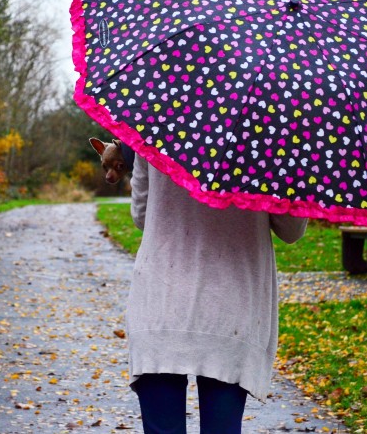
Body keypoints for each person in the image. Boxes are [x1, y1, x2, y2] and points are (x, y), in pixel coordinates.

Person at [127, 154, 307, 434]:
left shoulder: (153, 122)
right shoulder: (271, 135)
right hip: (231, 308)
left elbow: (141, 215)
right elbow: (291, 229)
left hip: (160, 303)